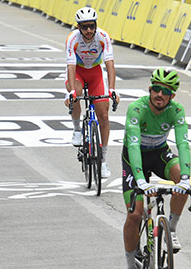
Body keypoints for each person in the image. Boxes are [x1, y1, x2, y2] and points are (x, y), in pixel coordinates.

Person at [121, 68, 191, 269]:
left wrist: (187, 178)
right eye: (157, 90)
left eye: (166, 91)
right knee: (134, 213)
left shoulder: (176, 111)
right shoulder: (137, 109)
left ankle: (170, 228)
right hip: (134, 158)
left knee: (181, 178)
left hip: (159, 153)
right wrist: (140, 180)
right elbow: (132, 146)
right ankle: (131, 268)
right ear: (150, 89)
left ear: (172, 96)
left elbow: (183, 144)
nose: (160, 94)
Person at [64, 7, 119, 179]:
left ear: (96, 25)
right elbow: (71, 67)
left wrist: (111, 90)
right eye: (84, 27)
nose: (88, 31)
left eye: (91, 26)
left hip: (95, 73)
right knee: (77, 94)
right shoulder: (72, 39)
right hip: (78, 73)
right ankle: (77, 130)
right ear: (79, 27)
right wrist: (72, 92)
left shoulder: (103, 37)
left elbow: (110, 64)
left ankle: (102, 160)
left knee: (104, 116)